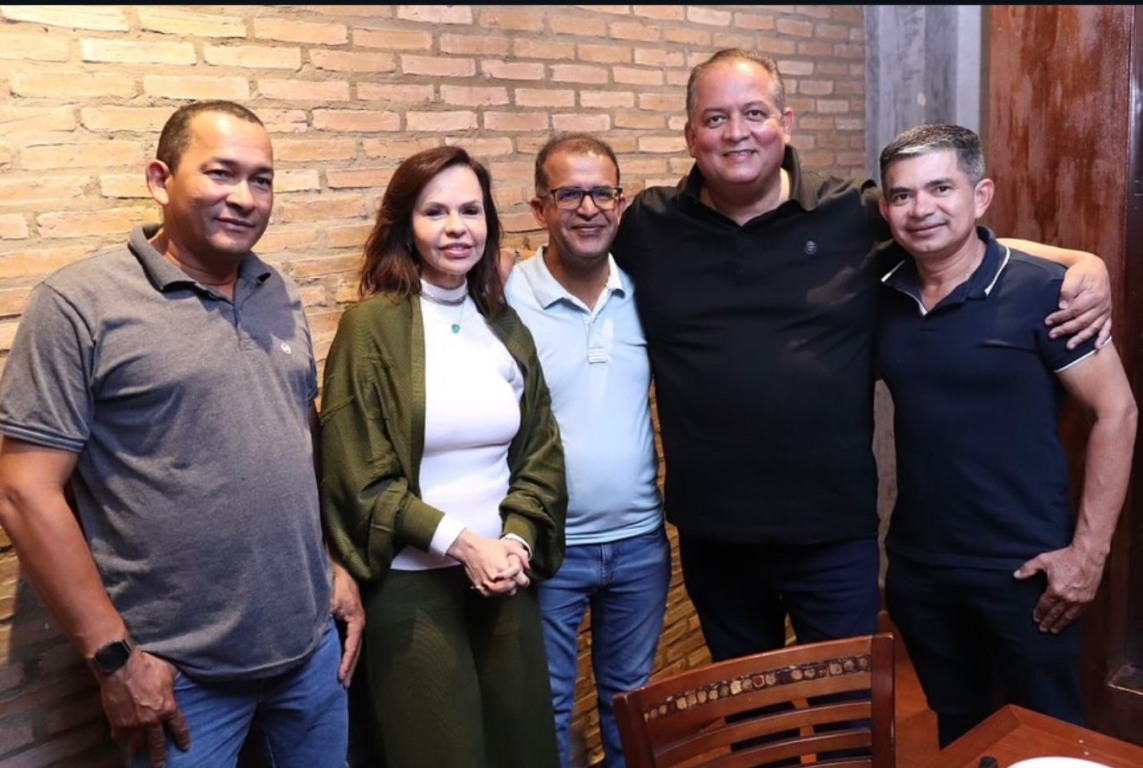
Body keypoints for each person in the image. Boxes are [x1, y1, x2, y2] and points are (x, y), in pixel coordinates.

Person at [610, 48, 1114, 667]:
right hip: (715, 533)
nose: (736, 132)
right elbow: (566, 255)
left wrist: (1079, 261)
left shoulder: (852, 212)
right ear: (690, 135)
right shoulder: (649, 224)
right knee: (752, 718)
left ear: (786, 123)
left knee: (851, 716)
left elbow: (945, 235)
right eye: (714, 119)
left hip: (832, 533)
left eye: (754, 112)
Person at [0, 100, 363, 768]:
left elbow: (286, 445)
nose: (245, 197)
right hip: (178, 678)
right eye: (221, 173)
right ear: (160, 179)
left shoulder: (273, 289)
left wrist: (328, 565)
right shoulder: (79, 305)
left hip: (308, 652)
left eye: (262, 179)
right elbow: (25, 494)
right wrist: (115, 661)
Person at [876, 123, 1137, 747]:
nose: (922, 209)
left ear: (981, 194)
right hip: (920, 565)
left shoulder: (1048, 293)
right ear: (885, 208)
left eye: (942, 187)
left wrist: (1088, 556)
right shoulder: (883, 293)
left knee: (1045, 736)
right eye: (903, 195)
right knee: (960, 729)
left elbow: (1118, 413)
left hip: (1026, 570)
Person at [319, 145, 567, 768]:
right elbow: (361, 478)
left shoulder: (504, 325)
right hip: (414, 590)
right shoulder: (370, 328)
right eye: (435, 212)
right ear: (406, 227)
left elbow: (539, 449)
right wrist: (465, 545)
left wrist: (515, 543)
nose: (457, 227)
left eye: (470, 210)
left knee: (524, 749)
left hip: (506, 581)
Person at [505, 133, 670, 768]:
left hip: (639, 546)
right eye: (568, 193)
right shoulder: (506, 298)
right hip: (546, 547)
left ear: (622, 203)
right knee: (544, 708)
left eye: (602, 192)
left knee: (630, 707)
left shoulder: (645, 293)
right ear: (539, 207)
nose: (588, 207)